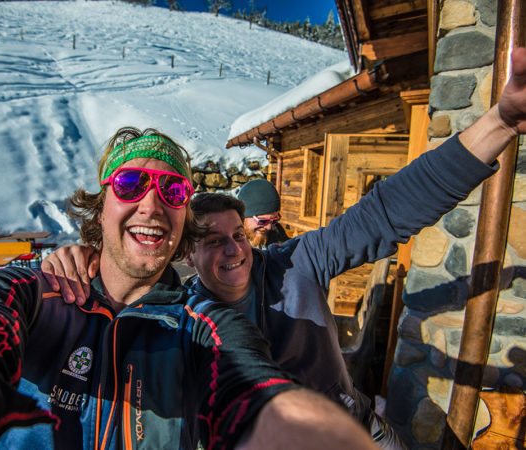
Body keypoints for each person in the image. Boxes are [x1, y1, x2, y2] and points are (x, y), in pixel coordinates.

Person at [40, 46, 526, 450]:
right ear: (187, 252)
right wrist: (72, 259)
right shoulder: (181, 314)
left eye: (238, 234)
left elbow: (387, 211)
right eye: (213, 241)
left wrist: (501, 123)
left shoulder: (296, 264)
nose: (234, 250)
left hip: (358, 431)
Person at [0, 127, 377, 450]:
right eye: (130, 184)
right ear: (98, 204)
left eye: (172, 190)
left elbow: (254, 390)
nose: (151, 204)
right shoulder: (36, 293)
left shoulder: (202, 322)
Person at [236, 178, 289, 248]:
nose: (269, 227)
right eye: (263, 221)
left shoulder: (277, 234)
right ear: (243, 217)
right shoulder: (227, 245)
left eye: (275, 220)